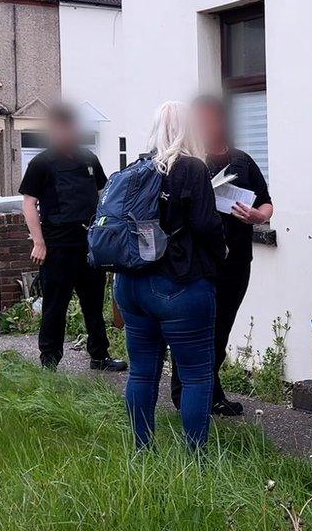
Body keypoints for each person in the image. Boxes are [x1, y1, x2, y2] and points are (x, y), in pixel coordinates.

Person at [114, 101, 226, 450]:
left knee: (142, 372)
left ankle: (142, 451)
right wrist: (222, 252)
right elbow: (207, 226)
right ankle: (196, 459)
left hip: (131, 286)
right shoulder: (192, 168)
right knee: (195, 376)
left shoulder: (135, 169)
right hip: (178, 286)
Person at [169, 95, 273, 417]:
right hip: (200, 264)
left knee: (221, 331)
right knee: (193, 330)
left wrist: (258, 216)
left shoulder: (242, 161)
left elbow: (267, 203)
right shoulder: (188, 163)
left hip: (237, 261)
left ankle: (211, 394)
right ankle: (182, 394)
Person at [19, 104, 127, 373]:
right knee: (55, 306)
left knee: (93, 304)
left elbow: (104, 196)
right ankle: (49, 361)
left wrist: (109, 233)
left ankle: (99, 356)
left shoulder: (88, 159)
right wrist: (39, 242)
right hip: (57, 246)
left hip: (89, 244)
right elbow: (29, 204)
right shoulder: (41, 163)